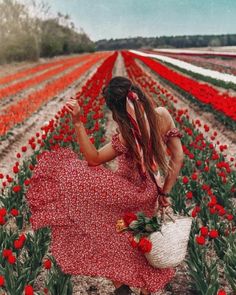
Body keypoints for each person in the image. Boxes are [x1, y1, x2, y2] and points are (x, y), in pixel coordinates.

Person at [25, 76, 184, 295]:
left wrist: (79, 122)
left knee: (104, 232)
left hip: (125, 194)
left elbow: (94, 158)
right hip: (150, 195)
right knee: (143, 243)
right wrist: (165, 191)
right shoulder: (163, 116)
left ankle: (121, 288)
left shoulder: (128, 134)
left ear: (117, 110)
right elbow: (178, 157)